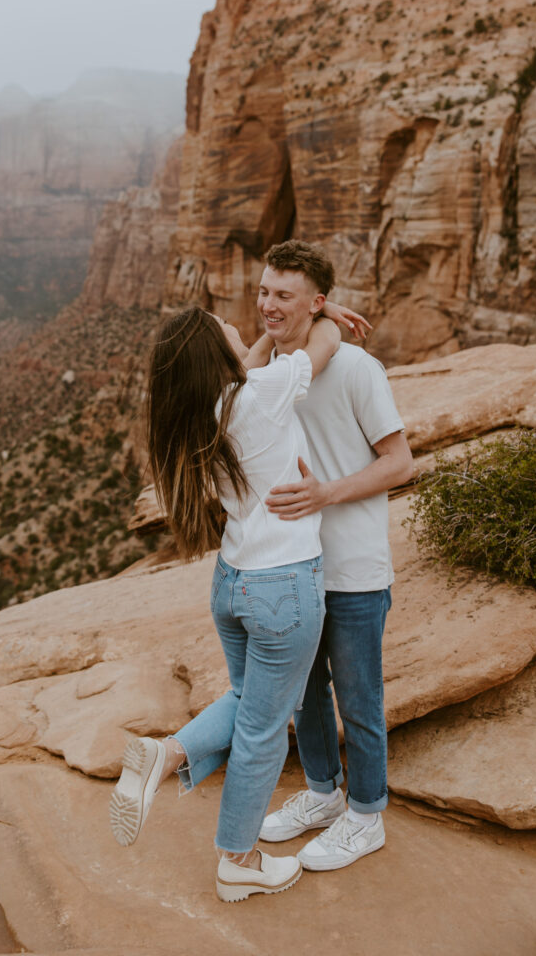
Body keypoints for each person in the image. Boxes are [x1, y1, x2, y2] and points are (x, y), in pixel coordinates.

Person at [109, 302, 362, 902]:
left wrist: (256, 344)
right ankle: (238, 860)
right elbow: (321, 344)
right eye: (222, 323)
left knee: (250, 701)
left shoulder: (206, 409)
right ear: (213, 349)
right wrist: (320, 308)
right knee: (265, 731)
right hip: (283, 587)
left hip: (234, 582)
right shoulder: (264, 394)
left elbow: (244, 365)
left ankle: (166, 755)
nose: (235, 324)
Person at [254, 239, 414, 870]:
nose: (268, 304)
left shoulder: (355, 370)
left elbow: (399, 462)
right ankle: (323, 795)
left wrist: (325, 494)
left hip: (352, 569)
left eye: (283, 295)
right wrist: (308, 316)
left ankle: (366, 815)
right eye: (264, 291)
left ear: (314, 303)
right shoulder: (270, 369)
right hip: (292, 566)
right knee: (304, 694)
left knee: (358, 696)